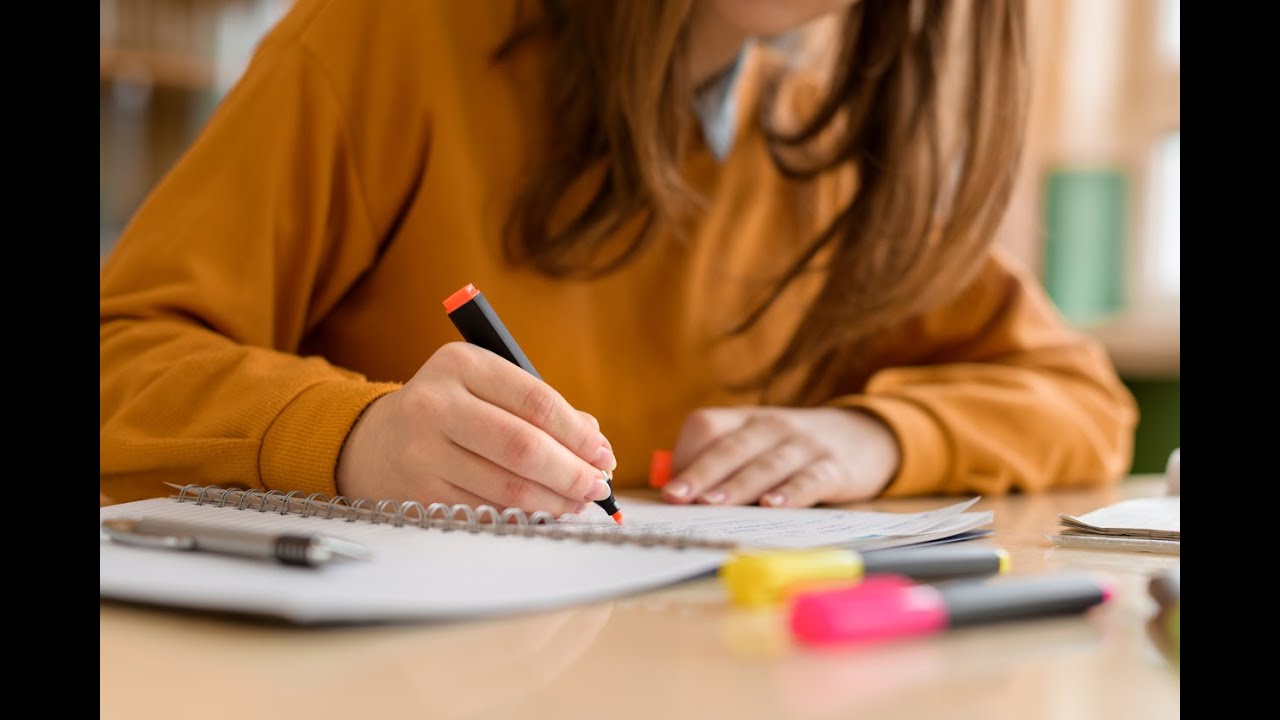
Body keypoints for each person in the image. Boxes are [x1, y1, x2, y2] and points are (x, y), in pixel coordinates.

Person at [100, 0, 1136, 516]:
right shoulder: (387, 37)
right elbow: (122, 361)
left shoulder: (828, 155)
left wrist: (870, 438)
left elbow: (1079, 401)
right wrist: (353, 437)